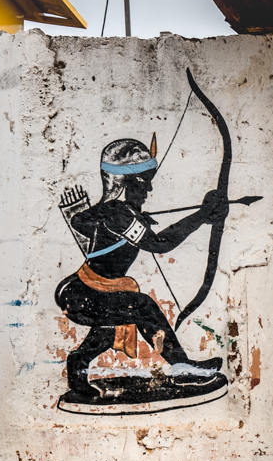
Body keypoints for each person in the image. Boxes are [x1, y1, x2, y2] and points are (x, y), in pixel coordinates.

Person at [55, 138, 229, 409]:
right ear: (123, 183)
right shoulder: (118, 213)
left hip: (87, 292)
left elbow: (81, 220)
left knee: (108, 328)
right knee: (142, 307)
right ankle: (181, 369)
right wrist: (202, 215)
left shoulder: (115, 211)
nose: (148, 187)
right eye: (142, 181)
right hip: (85, 293)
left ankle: (78, 365)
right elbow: (161, 244)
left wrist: (132, 222)